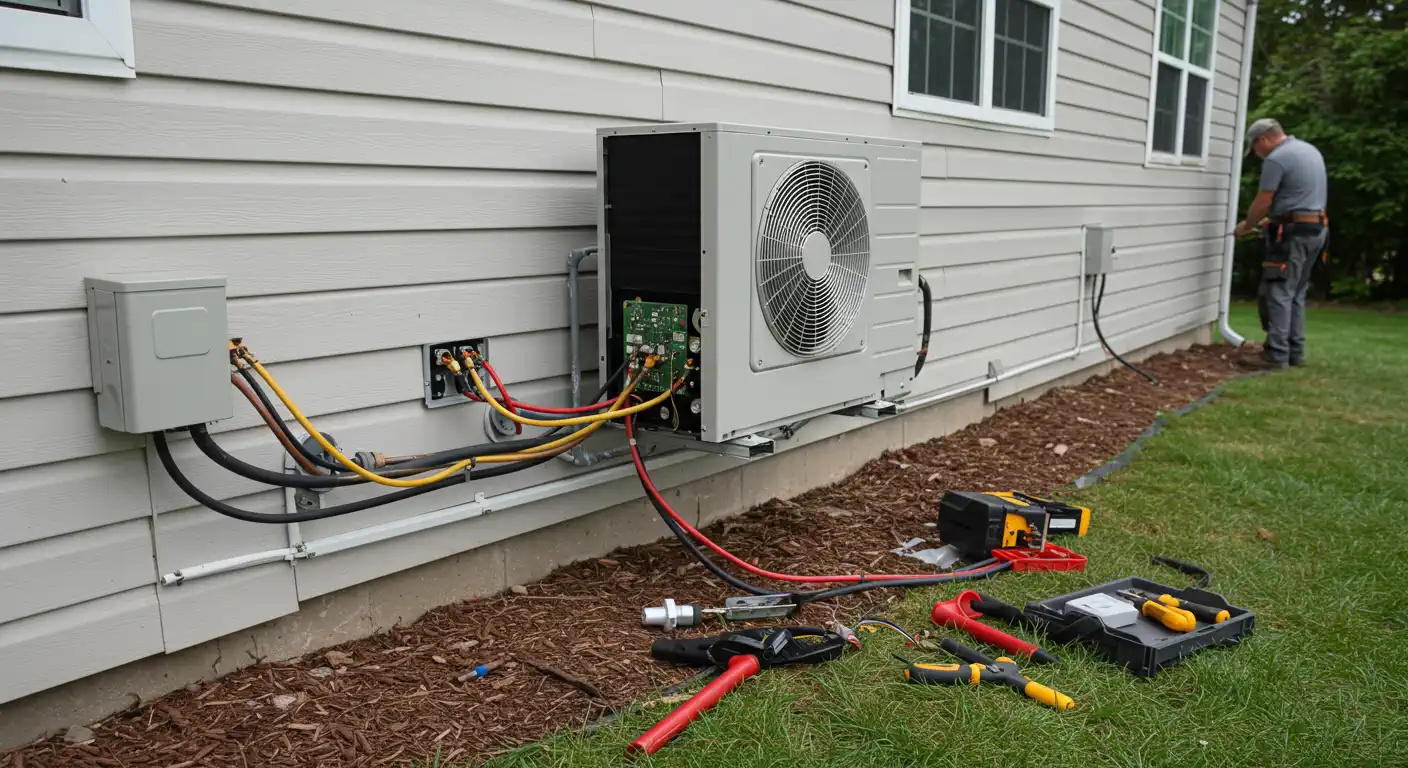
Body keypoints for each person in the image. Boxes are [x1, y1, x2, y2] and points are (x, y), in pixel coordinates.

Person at [1234, 118, 1329, 369]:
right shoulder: (1309, 151)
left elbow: (1265, 200)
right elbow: (1298, 198)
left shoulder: (1278, 158)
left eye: (1255, 149)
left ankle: (1276, 355)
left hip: (1293, 234)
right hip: (1317, 229)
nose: (1257, 155)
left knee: (1278, 291)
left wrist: (1248, 224)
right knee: (1296, 292)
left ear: (1263, 139)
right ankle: (1294, 352)